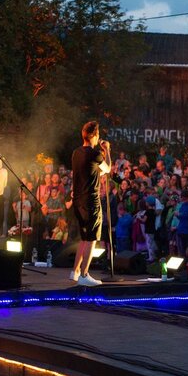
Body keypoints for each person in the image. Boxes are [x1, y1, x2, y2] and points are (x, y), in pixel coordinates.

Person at [70, 121, 110, 286]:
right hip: (90, 200)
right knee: (92, 237)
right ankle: (85, 274)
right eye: (98, 134)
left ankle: (75, 271)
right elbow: (107, 169)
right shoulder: (95, 154)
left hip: (78, 199)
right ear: (94, 136)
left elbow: (91, 171)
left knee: (84, 237)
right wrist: (107, 150)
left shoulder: (76, 153)